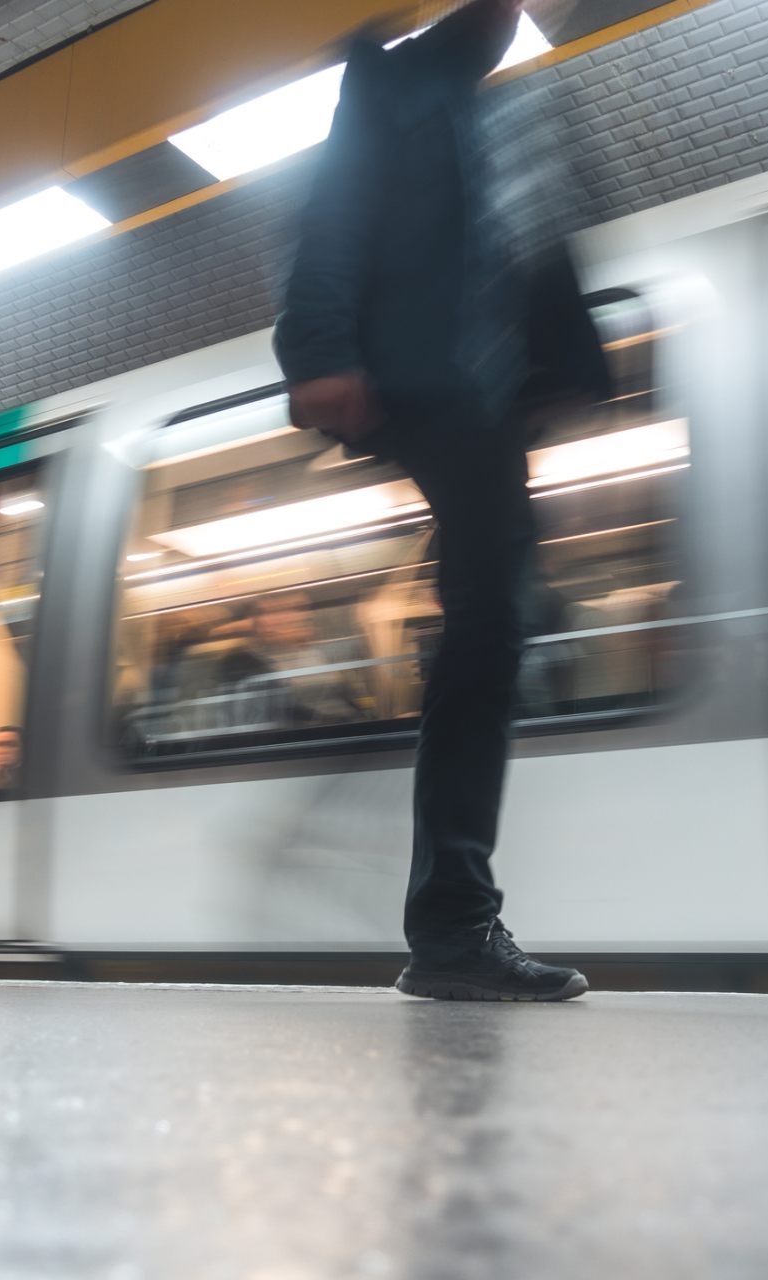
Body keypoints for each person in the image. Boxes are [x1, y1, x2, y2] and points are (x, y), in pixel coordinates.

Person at [274, 0, 611, 1001]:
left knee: (494, 619)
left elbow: (530, 251)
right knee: (493, 620)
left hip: (490, 398)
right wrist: (322, 349)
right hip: (427, 384)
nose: (519, 15)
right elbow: (334, 212)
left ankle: (453, 920)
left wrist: (568, 371)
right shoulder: (393, 80)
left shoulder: (501, 107)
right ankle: (455, 926)